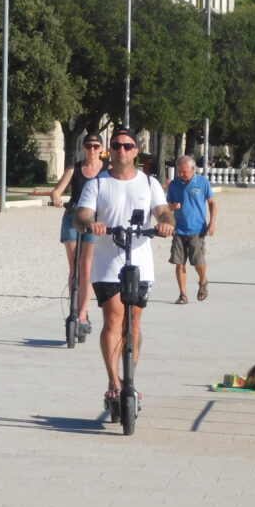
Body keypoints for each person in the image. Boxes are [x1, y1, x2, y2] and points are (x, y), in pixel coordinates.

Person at [74, 128, 174, 403]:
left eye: (127, 146)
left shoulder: (149, 183)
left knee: (134, 322)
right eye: (116, 146)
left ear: (135, 151)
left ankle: (130, 378)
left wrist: (166, 224)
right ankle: (114, 381)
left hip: (140, 262)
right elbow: (80, 216)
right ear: (110, 150)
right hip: (108, 263)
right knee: (114, 318)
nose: (121, 151)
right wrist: (90, 223)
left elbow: (163, 211)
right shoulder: (98, 184)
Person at [49, 133, 107, 333]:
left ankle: (83, 314)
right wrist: (57, 198)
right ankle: (74, 305)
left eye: (96, 146)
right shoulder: (75, 169)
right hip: (72, 218)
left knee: (87, 267)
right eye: (89, 146)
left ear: (101, 148)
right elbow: (57, 191)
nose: (92, 149)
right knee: (74, 266)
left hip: (93, 222)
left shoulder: (107, 171)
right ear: (84, 148)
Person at [166, 155, 217, 304]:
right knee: (179, 262)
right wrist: (172, 207)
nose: (181, 174)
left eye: (184, 171)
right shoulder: (174, 184)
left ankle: (203, 281)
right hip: (179, 229)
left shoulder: (202, 182)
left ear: (193, 169)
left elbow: (212, 203)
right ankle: (183, 294)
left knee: (197, 262)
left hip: (197, 229)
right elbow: (167, 206)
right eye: (179, 171)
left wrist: (212, 223)